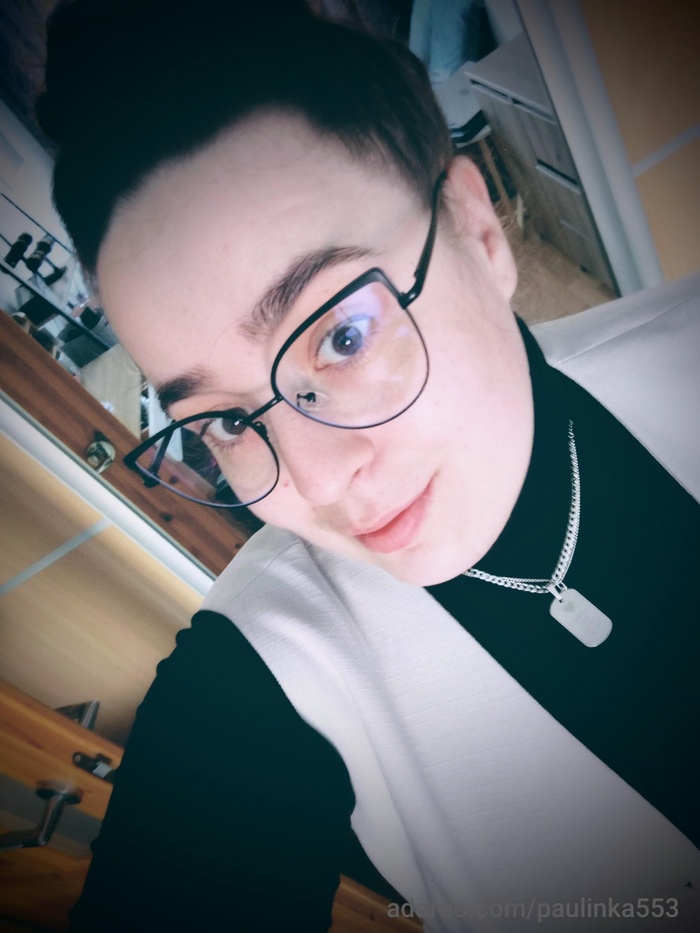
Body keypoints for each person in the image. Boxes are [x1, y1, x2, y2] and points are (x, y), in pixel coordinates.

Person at [36, 1, 699, 930]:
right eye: (224, 420)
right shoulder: (260, 683)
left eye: (342, 334)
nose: (312, 483)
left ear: (475, 227)